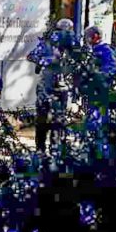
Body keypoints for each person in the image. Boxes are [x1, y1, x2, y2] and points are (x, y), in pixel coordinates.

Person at [28, 19, 76, 152]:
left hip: (62, 88)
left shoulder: (73, 46)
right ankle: (40, 148)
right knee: (42, 119)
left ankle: (55, 148)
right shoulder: (47, 44)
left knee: (59, 120)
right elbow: (32, 56)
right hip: (46, 88)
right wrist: (48, 61)